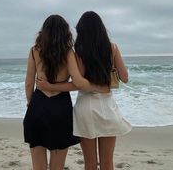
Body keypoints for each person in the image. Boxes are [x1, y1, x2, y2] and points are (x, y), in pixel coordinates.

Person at [37, 11, 131, 170]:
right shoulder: (112, 48)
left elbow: (77, 84)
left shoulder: (78, 52)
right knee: (108, 163)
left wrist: (51, 86)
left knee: (90, 163)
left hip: (85, 108)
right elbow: (125, 77)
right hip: (107, 107)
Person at [23, 14, 108, 170]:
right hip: (60, 108)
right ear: (65, 32)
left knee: (38, 165)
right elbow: (77, 83)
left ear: (44, 31)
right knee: (57, 165)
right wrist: (99, 87)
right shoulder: (68, 52)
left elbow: (29, 83)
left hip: (38, 105)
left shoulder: (34, 50)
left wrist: (30, 102)